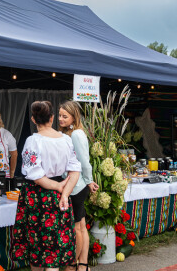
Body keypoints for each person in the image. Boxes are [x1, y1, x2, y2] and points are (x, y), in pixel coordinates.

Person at [12, 101, 81, 270]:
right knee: (54, 247)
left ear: (33, 120)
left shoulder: (33, 141)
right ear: (52, 118)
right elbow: (75, 170)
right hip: (57, 194)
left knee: (36, 246)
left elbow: (36, 176)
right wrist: (63, 192)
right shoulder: (65, 139)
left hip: (36, 196)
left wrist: (60, 189)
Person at [58, 101, 99, 271]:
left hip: (76, 186)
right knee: (81, 226)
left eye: (64, 116)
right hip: (76, 185)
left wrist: (89, 180)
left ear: (74, 117)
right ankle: (82, 265)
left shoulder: (75, 134)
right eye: (59, 115)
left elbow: (84, 161)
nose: (60, 119)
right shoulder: (71, 132)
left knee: (77, 228)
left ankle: (73, 265)